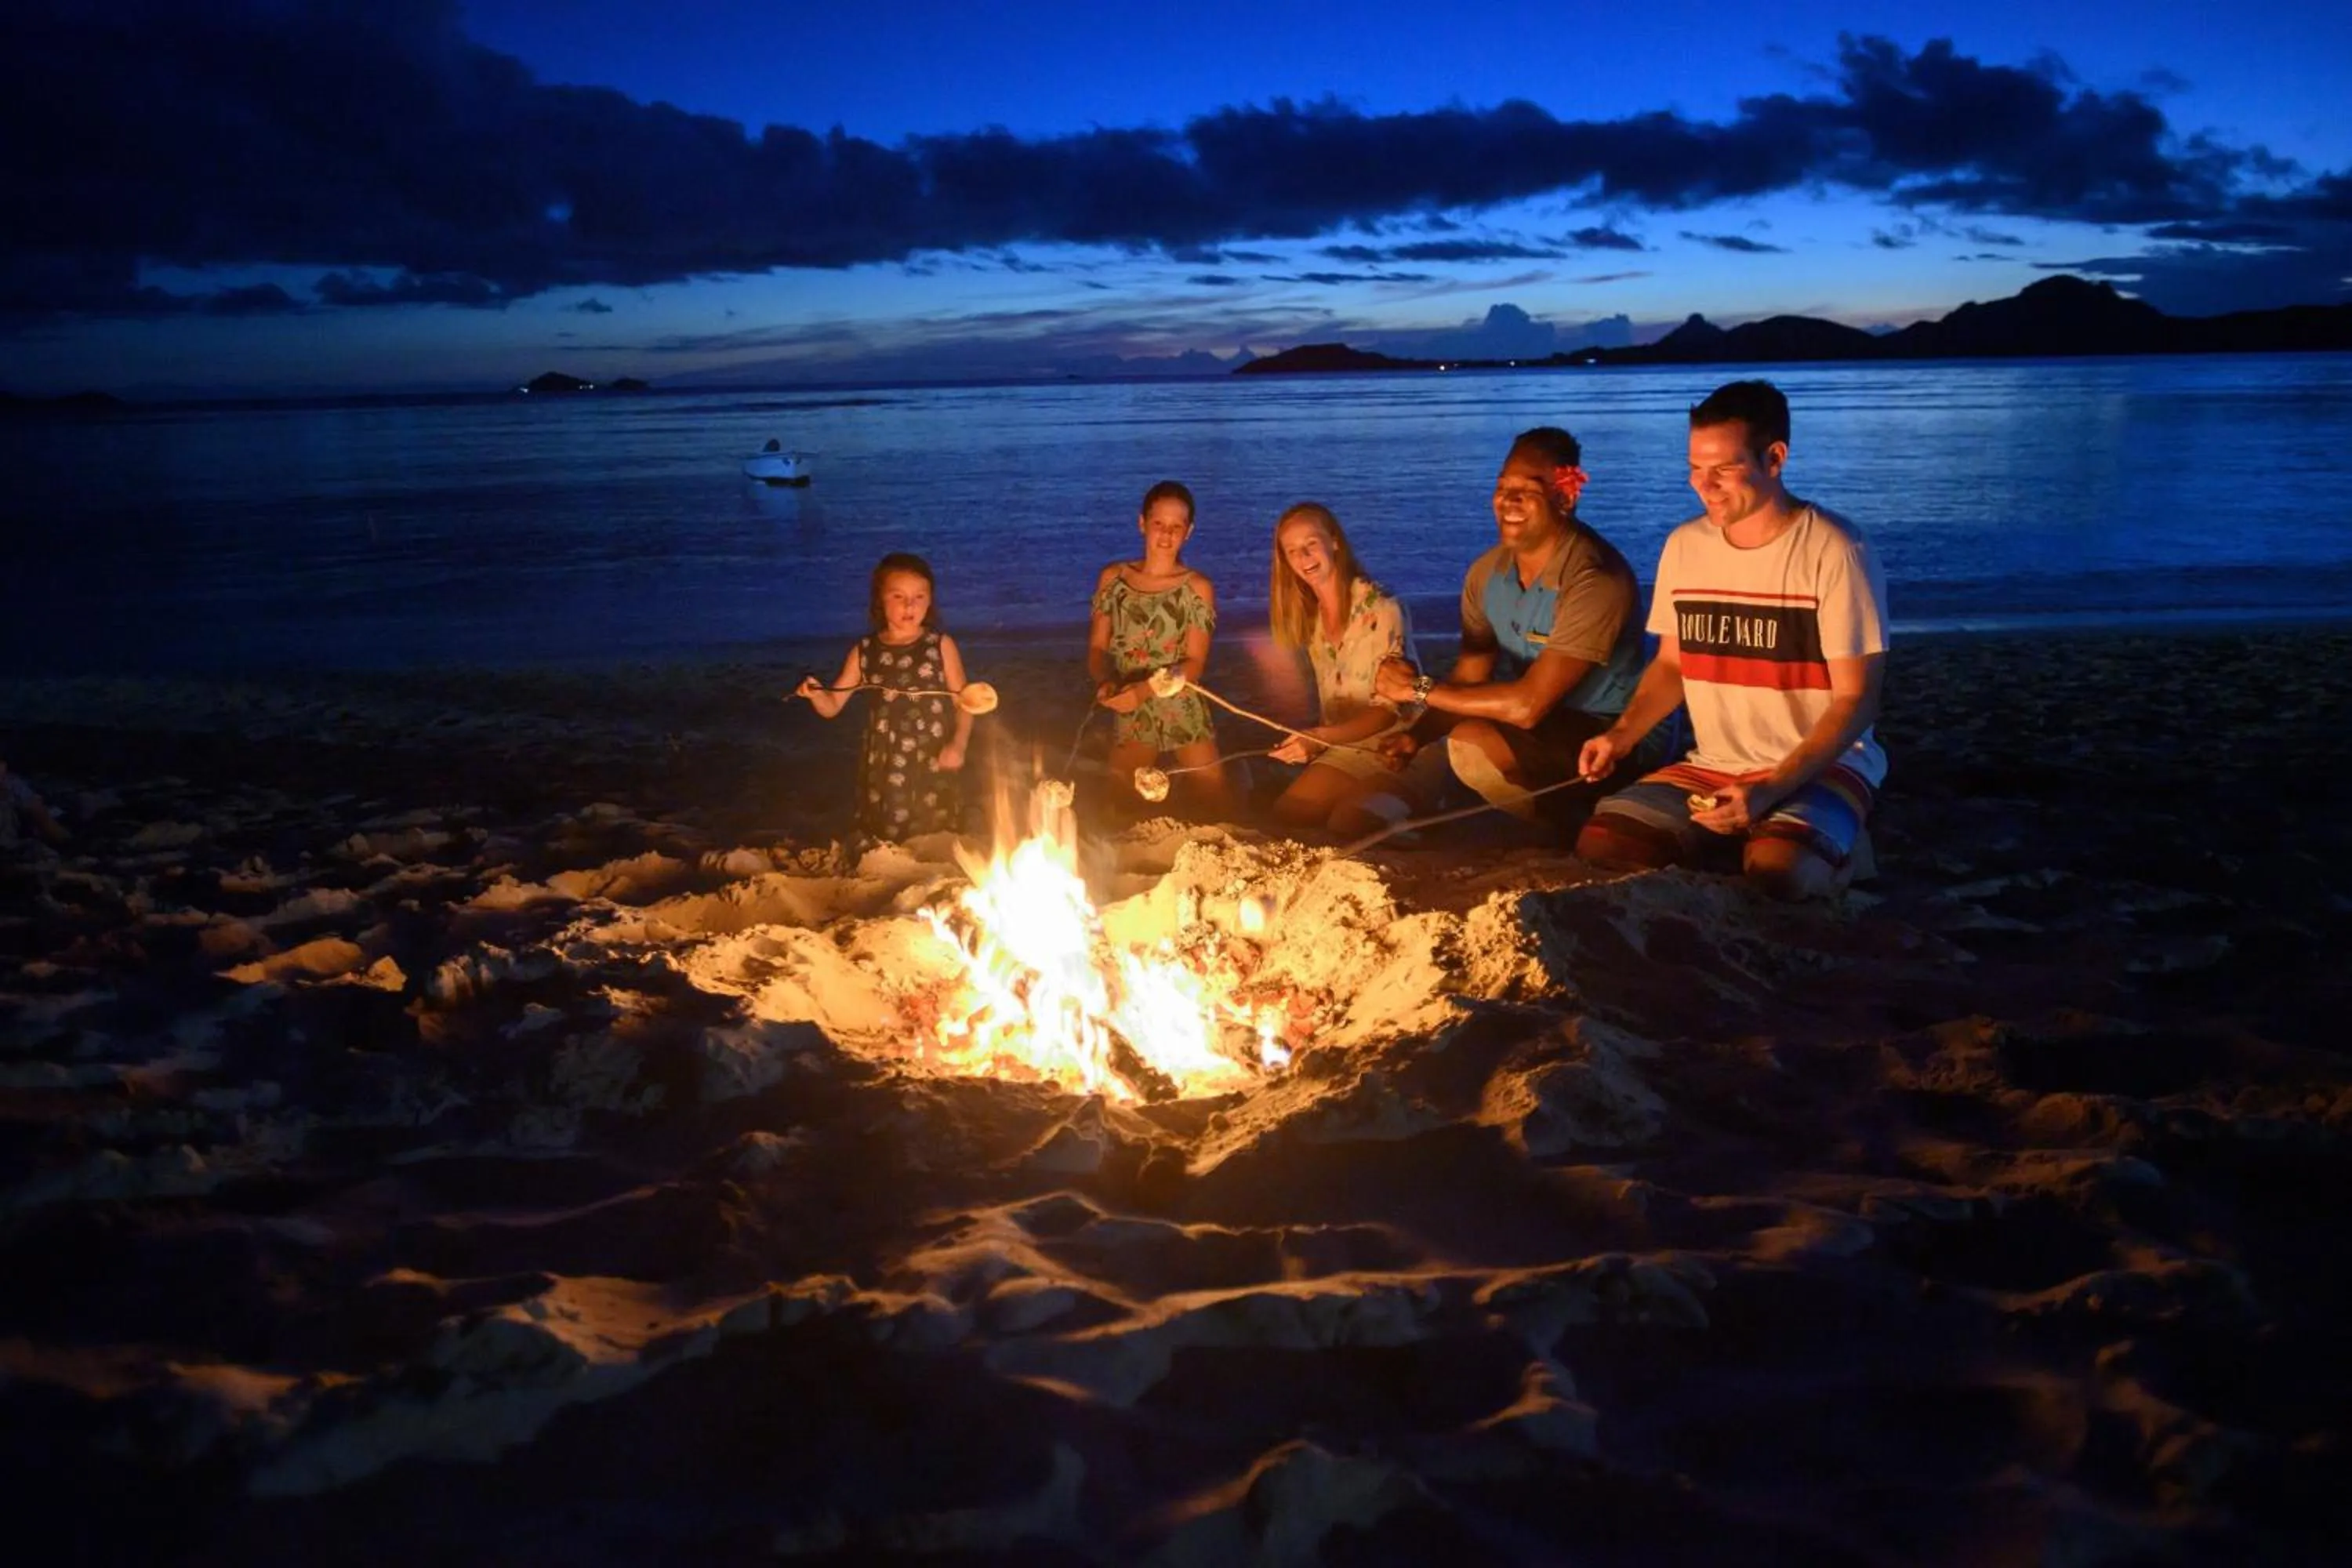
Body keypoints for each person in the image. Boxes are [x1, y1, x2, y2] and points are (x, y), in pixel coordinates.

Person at [1575, 379, 1889, 901]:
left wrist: (1771, 787)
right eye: (1695, 468)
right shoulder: (1685, 546)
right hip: (1714, 765)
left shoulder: (1835, 549)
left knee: (1780, 873)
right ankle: (1758, 836)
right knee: (1605, 845)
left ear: (1775, 458)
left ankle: (1844, 851)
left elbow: (1858, 698)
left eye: (1723, 468)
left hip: (1820, 766)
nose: (1704, 485)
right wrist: (1622, 736)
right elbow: (1673, 666)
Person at [1346, 426, 1647, 836]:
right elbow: (1471, 675)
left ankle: (1561, 826)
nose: (1508, 499)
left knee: (1469, 742)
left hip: (1612, 734)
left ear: (1565, 498)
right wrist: (1417, 736)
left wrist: (1417, 689)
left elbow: (1527, 707)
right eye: (1503, 487)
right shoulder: (1486, 574)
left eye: (1527, 490)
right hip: (1540, 726)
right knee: (1446, 744)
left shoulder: (1595, 579)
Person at [796, 553, 973, 842]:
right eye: (898, 596)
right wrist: (816, 694)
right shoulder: (865, 651)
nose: (909, 606)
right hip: (886, 760)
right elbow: (833, 706)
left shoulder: (940, 645)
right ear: (880, 599)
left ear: (930, 600)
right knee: (889, 827)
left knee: (936, 826)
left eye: (919, 597)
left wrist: (958, 745)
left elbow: (966, 702)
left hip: (933, 753)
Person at [1259, 503, 1415, 831]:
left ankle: (1421, 810)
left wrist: (1318, 737)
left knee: (1349, 821)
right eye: (1292, 551)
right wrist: (1313, 742)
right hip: (1346, 748)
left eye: (1311, 544)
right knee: (1286, 817)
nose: (1303, 557)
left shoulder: (1382, 607)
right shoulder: (1312, 620)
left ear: (1334, 542)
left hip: (1400, 747)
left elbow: (1390, 711)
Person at [1087, 480, 1236, 816]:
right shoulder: (1113, 579)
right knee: (1119, 802)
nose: (1167, 534)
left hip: (1181, 703)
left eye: (1176, 526)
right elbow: (1097, 648)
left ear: (1189, 531)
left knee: (1216, 802)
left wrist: (1147, 690)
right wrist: (1105, 682)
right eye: (1158, 523)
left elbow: (1195, 663)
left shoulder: (1197, 587)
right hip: (1131, 702)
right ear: (1142, 523)